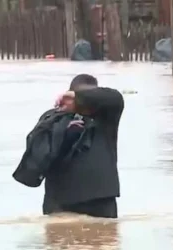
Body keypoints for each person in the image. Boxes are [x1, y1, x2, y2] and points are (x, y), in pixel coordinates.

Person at [42, 74, 124, 218]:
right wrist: (65, 133)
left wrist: (78, 97)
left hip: (100, 200)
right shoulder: (52, 117)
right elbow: (39, 152)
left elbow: (115, 97)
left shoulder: (107, 117)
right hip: (59, 201)